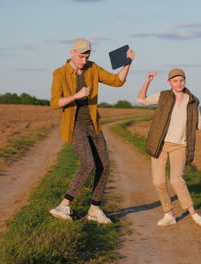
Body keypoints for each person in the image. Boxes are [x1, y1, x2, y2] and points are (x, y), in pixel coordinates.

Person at [49, 38, 134, 224]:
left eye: (87, 56)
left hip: (93, 124)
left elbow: (117, 81)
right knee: (88, 164)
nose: (84, 61)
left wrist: (128, 63)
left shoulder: (93, 68)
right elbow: (55, 103)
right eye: (80, 57)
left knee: (104, 166)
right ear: (72, 53)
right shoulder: (60, 73)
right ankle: (63, 206)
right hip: (76, 125)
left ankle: (94, 210)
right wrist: (76, 96)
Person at [136, 68, 201, 226]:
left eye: (181, 80)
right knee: (158, 182)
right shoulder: (163, 96)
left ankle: (193, 213)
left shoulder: (192, 100)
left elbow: (198, 125)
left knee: (176, 180)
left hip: (180, 146)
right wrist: (148, 81)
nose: (178, 83)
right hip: (159, 144)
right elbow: (141, 100)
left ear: (184, 81)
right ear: (169, 82)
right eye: (175, 81)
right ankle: (169, 214)